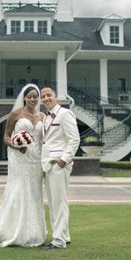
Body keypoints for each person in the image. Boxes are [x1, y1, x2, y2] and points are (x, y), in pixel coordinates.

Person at [0, 84, 46, 247]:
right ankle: (13, 231)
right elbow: (6, 137)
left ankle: (34, 231)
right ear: (24, 98)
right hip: (20, 158)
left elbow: (45, 138)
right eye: (30, 96)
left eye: (35, 96)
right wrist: (16, 145)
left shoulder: (42, 116)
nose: (33, 99)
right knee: (19, 191)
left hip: (37, 159)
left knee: (34, 193)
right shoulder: (16, 114)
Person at [40, 87, 80, 250]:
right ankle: (64, 235)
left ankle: (58, 241)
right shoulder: (45, 118)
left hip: (58, 165)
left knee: (59, 203)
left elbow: (74, 139)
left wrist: (64, 160)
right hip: (47, 164)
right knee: (54, 203)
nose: (46, 98)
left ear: (55, 97)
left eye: (49, 95)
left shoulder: (65, 114)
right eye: (43, 96)